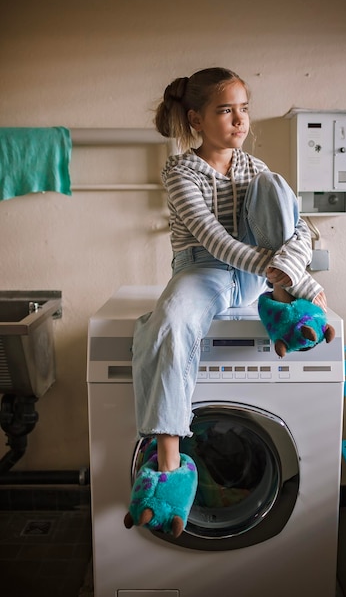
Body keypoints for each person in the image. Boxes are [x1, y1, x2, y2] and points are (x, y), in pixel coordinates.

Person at [130, 67, 326, 535]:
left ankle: (282, 300)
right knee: (170, 323)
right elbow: (214, 240)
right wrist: (284, 272)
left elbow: (304, 231)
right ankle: (169, 467)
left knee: (276, 188)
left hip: (262, 276)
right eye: (225, 110)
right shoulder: (180, 171)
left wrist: (293, 275)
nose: (240, 120)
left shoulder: (255, 170)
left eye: (244, 109)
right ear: (196, 119)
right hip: (203, 269)